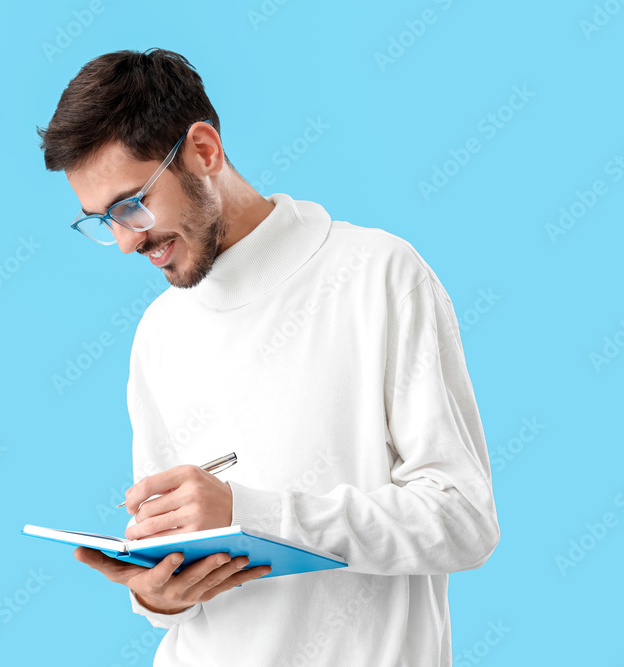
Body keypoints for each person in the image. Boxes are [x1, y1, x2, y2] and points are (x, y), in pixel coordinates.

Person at [37, 47, 500, 667]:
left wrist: (250, 511)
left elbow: (463, 519)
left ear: (205, 150)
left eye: (131, 205)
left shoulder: (379, 276)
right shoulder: (159, 332)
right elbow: (171, 561)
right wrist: (156, 594)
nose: (124, 242)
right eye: (101, 220)